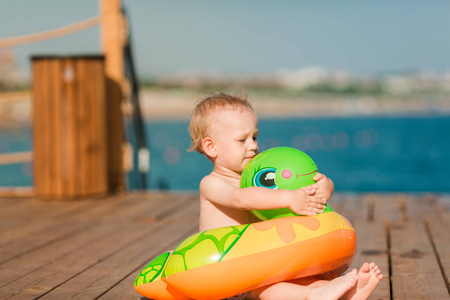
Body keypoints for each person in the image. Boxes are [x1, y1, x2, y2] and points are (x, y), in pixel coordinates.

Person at [188, 92, 383, 300]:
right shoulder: (212, 184)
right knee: (265, 287)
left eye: (254, 137)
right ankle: (313, 294)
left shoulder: (259, 178)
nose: (253, 146)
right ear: (211, 146)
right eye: (242, 140)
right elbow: (241, 198)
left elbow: (299, 187)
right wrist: (289, 198)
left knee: (285, 277)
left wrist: (324, 188)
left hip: (258, 264)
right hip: (225, 277)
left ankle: (344, 294)